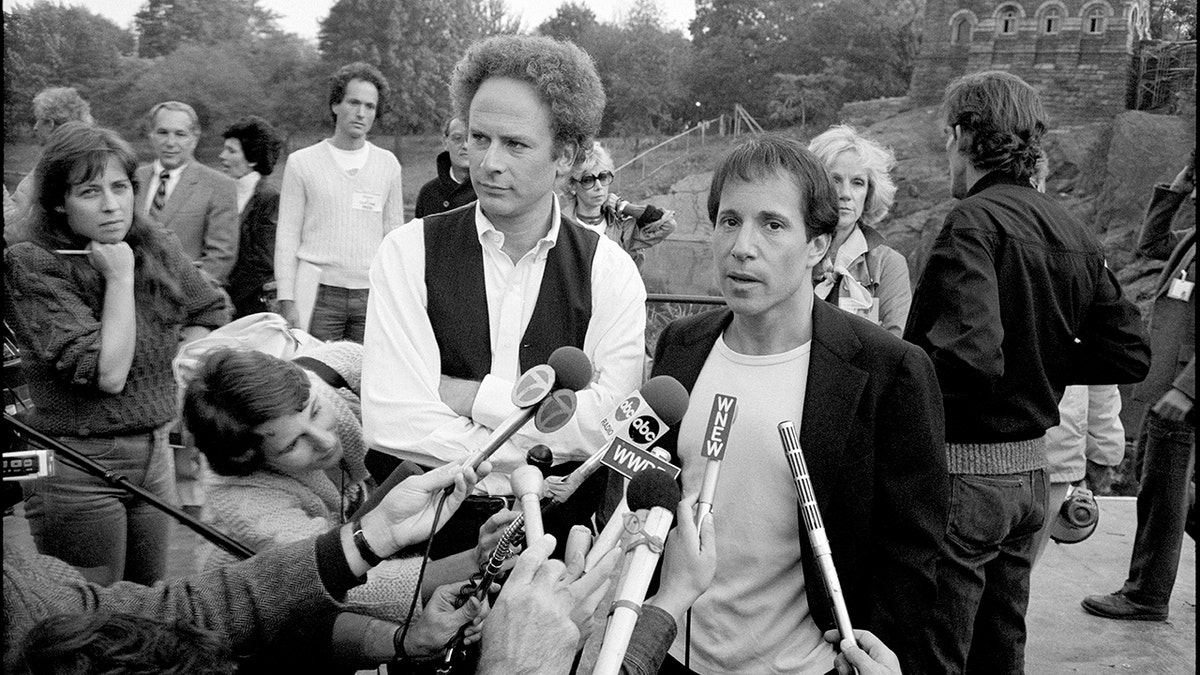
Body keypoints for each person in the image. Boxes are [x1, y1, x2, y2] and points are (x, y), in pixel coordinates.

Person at [645, 136, 948, 673]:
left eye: (773, 224)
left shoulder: (889, 371)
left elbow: (913, 555)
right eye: (729, 221)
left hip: (808, 664)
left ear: (817, 246)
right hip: (672, 653)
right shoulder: (681, 346)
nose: (742, 246)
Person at [903, 71, 1151, 673]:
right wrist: (1043, 360)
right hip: (1029, 484)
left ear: (963, 134)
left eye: (946, 138)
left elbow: (970, 354)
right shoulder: (1071, 231)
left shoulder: (971, 223)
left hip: (967, 477)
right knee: (1001, 649)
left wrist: (901, 380)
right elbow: (1129, 353)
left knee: (938, 655)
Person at [362, 35, 646, 557]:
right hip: (422, 535)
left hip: (559, 540)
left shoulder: (611, 271)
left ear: (566, 157)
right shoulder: (407, 253)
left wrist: (472, 397)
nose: (487, 162)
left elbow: (614, 424)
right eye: (477, 138)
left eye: (514, 144)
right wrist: (537, 455)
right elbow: (391, 419)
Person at [4, 123, 229, 586]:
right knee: (94, 622)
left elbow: (208, 305)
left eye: (120, 187)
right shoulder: (33, 262)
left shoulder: (151, 241)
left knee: (148, 605)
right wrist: (120, 279)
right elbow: (108, 372)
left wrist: (182, 357)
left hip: (155, 453)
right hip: (78, 467)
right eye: (90, 191)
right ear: (58, 201)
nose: (111, 205)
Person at [3, 460, 489, 674]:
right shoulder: (251, 511)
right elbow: (347, 604)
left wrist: (376, 534)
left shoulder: (33, 594)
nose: (321, 434)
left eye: (315, 409)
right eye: (292, 436)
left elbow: (185, 612)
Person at [182, 341, 515, 625]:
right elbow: (334, 574)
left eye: (314, 412)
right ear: (252, 460)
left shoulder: (326, 375)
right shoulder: (241, 498)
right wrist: (472, 561)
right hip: (260, 615)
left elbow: (415, 378)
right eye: (292, 445)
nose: (324, 441)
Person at [1082, 155, 1196, 622]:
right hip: (1166, 385)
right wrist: (1177, 188)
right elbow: (1150, 244)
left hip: (1183, 392)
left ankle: (1145, 595)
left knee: (1163, 493)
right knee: (1170, 489)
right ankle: (1146, 590)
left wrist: (1188, 390)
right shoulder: (1193, 238)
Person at [274, 62, 405, 341]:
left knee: (365, 377)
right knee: (314, 375)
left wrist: (397, 297)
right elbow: (287, 236)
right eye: (353, 102)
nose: (361, 113)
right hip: (318, 293)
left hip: (371, 296)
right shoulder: (302, 163)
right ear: (335, 105)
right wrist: (287, 298)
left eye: (370, 106)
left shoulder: (388, 165)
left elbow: (395, 237)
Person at [807, 125, 911, 336]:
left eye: (857, 183)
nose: (845, 194)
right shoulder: (790, 253)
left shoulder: (888, 265)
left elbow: (895, 347)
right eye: (834, 180)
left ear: (869, 193)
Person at [136, 101, 239, 287]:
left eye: (180, 134)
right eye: (162, 133)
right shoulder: (131, 180)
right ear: (151, 135)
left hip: (187, 300)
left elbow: (220, 258)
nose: (170, 142)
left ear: (195, 137)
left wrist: (189, 294)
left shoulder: (219, 186)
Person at [1034, 383, 1125, 564]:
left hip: (1052, 450)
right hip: (1055, 446)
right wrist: (1103, 452)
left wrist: (1103, 452)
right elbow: (1101, 381)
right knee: (1018, 569)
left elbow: (1101, 380)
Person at [559, 141, 677, 270]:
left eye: (603, 177)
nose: (598, 187)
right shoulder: (559, 226)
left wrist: (623, 206)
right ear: (572, 186)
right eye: (588, 180)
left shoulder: (621, 228)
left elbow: (667, 224)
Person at [6, 86, 95, 247]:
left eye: (38, 120)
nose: (35, 127)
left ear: (51, 123)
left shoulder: (58, 163)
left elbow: (18, 224)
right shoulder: (88, 157)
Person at [219, 115, 282, 318]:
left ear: (253, 158)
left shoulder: (268, 198)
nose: (222, 156)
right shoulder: (222, 191)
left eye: (231, 151)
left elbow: (262, 261)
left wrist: (226, 295)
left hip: (248, 305)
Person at [415, 117, 476, 218]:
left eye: (471, 139)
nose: (465, 145)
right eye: (457, 138)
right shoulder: (429, 194)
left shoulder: (490, 191)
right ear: (445, 141)